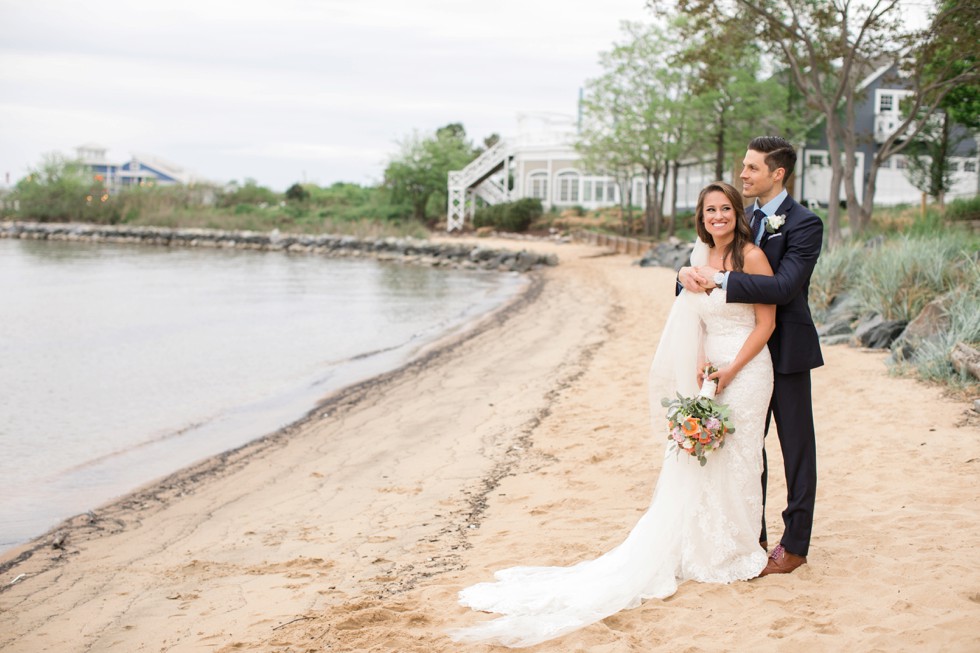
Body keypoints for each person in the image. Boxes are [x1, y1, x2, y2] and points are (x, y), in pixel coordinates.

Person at [449, 181, 776, 648]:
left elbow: (767, 322)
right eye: (710, 210)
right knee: (707, 457)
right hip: (712, 370)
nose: (717, 217)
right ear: (700, 217)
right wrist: (705, 367)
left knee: (742, 456)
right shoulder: (697, 257)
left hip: (747, 367)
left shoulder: (753, 257)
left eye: (725, 209)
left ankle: (736, 547)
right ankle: (705, 545)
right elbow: (696, 320)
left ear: (737, 213)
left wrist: (732, 368)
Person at [677, 136, 823, 576]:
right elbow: (707, 265)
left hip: (785, 354)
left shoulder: (804, 224)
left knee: (796, 450)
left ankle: (794, 546)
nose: (744, 174)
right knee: (742, 449)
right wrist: (684, 273)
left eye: (752, 168)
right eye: (743, 167)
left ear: (777, 173)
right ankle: (750, 535)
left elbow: (782, 289)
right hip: (737, 352)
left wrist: (716, 280)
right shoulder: (743, 218)